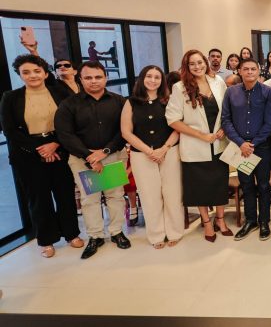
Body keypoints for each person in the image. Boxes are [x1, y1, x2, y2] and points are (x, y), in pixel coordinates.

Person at [1, 55, 82, 258]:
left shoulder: (59, 91)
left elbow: (71, 120)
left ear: (45, 73)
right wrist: (41, 148)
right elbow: (9, 130)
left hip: (59, 149)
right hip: (28, 155)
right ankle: (46, 240)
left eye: (37, 71)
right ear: (20, 75)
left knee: (65, 195)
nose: (32, 75)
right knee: (38, 199)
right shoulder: (10, 97)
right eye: (26, 72)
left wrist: (55, 144)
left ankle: (71, 234)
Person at [54, 61, 130, 259]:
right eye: (88, 78)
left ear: (105, 78)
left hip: (111, 155)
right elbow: (65, 134)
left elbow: (123, 131)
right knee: (90, 198)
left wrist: (104, 152)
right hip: (82, 158)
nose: (94, 81)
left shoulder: (119, 101)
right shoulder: (69, 104)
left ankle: (116, 232)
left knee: (115, 195)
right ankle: (95, 236)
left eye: (98, 77)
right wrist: (89, 156)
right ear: (81, 79)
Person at [166, 50, 231, 243]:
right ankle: (207, 223)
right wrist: (200, 135)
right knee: (200, 187)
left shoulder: (218, 82)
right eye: (192, 64)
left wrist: (224, 130)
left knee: (220, 185)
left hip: (218, 143)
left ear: (206, 62)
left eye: (200, 62)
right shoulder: (180, 88)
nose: (197, 66)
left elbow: (227, 110)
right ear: (187, 66)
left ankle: (220, 219)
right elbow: (173, 120)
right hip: (195, 145)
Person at [120, 65, 182, 249]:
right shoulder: (131, 102)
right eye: (149, 76)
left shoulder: (169, 100)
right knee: (149, 196)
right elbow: (126, 131)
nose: (153, 80)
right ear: (142, 78)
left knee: (172, 193)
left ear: (162, 81)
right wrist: (149, 151)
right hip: (142, 155)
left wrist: (164, 148)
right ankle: (156, 235)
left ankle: (174, 232)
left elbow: (178, 127)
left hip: (169, 152)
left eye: (157, 77)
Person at [221, 58, 271, 241]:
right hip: (240, 149)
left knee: (263, 185)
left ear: (258, 71)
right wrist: (241, 143)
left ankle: (264, 222)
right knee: (246, 185)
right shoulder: (231, 92)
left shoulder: (268, 92)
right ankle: (251, 220)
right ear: (239, 71)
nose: (250, 72)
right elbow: (226, 120)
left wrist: (252, 143)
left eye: (253, 69)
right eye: (246, 69)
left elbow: (270, 122)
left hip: (261, 147)